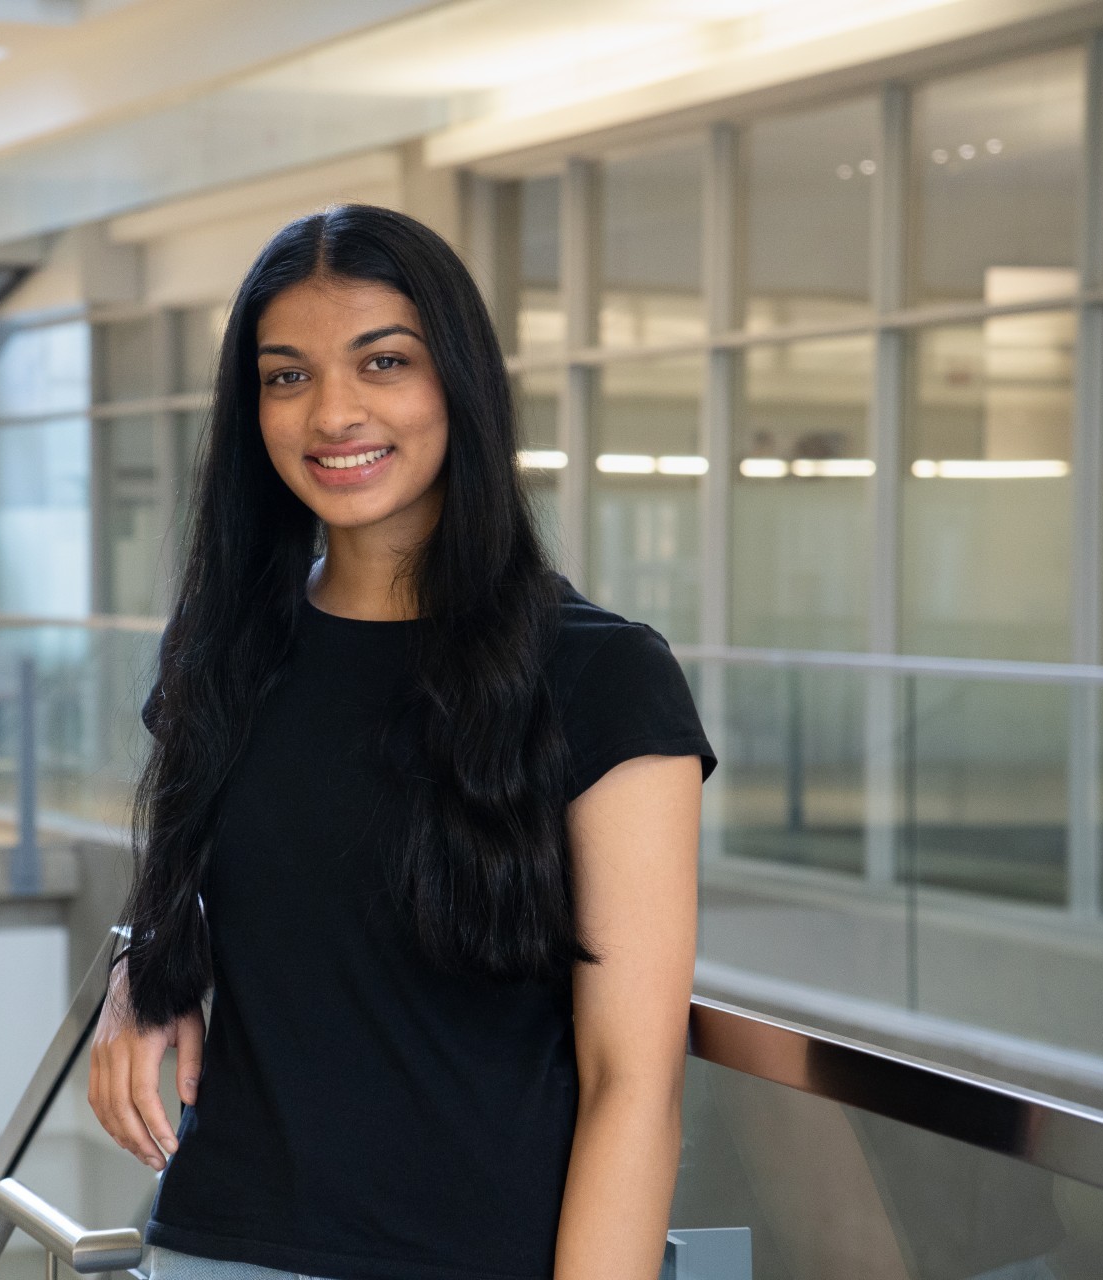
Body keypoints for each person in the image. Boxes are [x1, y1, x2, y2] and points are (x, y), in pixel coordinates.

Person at [88, 203, 715, 1280]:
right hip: (217, 1243)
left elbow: (635, 1082)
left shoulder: (603, 677)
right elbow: (233, 892)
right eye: (287, 375)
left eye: (383, 361)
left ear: (457, 380)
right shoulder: (224, 656)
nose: (333, 412)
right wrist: (146, 965)